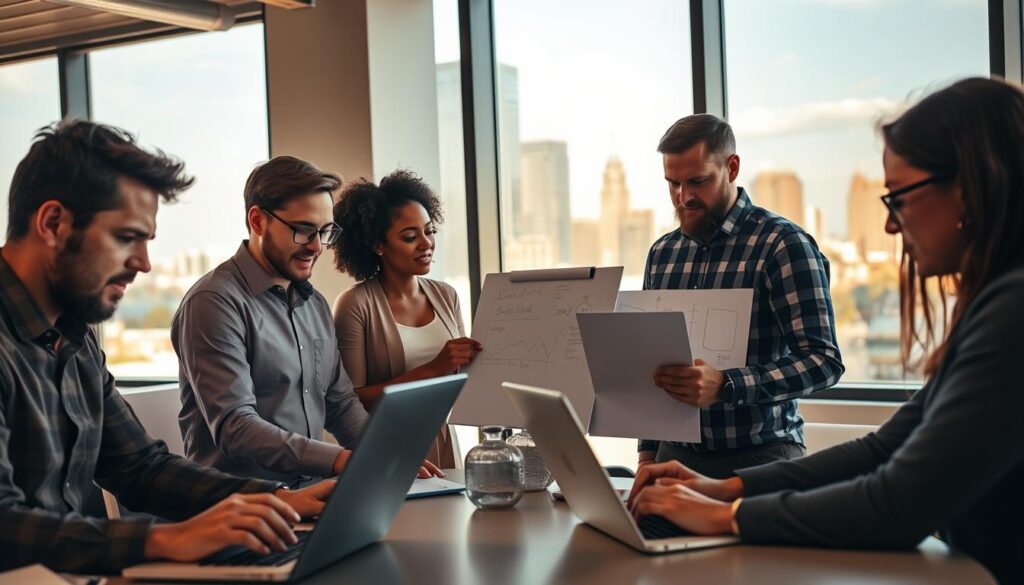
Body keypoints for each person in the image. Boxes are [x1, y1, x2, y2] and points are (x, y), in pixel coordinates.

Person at [627, 77, 1024, 585]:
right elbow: (883, 450)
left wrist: (726, 514)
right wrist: (723, 491)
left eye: (899, 197)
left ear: (971, 188)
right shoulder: (994, 308)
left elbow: (898, 501)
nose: (890, 227)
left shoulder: (1013, 316)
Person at [0, 121, 333, 573]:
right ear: (53, 223)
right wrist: (167, 539)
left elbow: (139, 469)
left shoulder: (75, 339)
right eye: (126, 238)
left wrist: (276, 501)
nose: (143, 263)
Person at [173, 157, 441, 486]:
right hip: (242, 508)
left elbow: (340, 404)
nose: (316, 246)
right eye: (303, 231)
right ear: (257, 221)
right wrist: (341, 460)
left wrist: (388, 454)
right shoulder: (214, 303)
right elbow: (236, 427)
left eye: (325, 232)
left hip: (311, 495)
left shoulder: (313, 304)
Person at [638, 114, 845, 477]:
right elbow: (653, 368)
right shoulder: (662, 254)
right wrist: (646, 457)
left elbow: (823, 361)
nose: (683, 197)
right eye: (673, 183)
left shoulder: (784, 245)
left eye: (697, 181)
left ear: (731, 168)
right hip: (672, 458)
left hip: (762, 456)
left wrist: (727, 385)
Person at [331, 170, 481, 468]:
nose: (426, 243)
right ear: (378, 245)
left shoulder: (446, 295)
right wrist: (435, 368)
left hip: (442, 440)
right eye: (410, 237)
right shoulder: (355, 304)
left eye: (430, 231)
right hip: (385, 450)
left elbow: (464, 377)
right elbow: (351, 402)